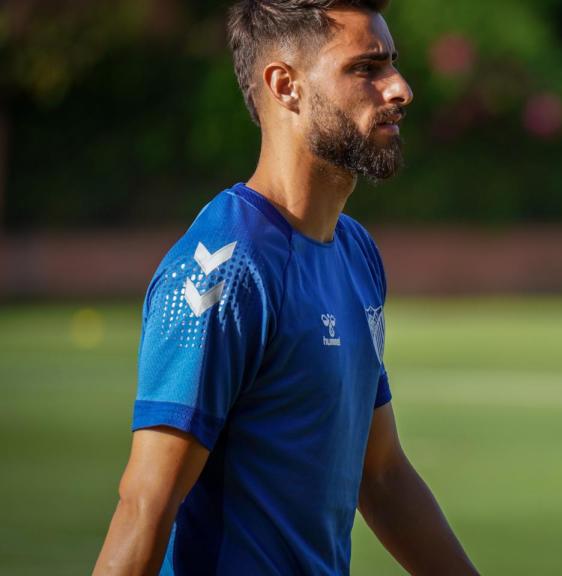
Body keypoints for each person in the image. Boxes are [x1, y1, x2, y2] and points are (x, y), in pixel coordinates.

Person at [93, 1, 479, 574]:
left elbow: (382, 475)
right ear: (285, 86)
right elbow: (146, 506)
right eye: (366, 68)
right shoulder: (222, 270)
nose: (400, 88)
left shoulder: (355, 251)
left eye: (392, 64)